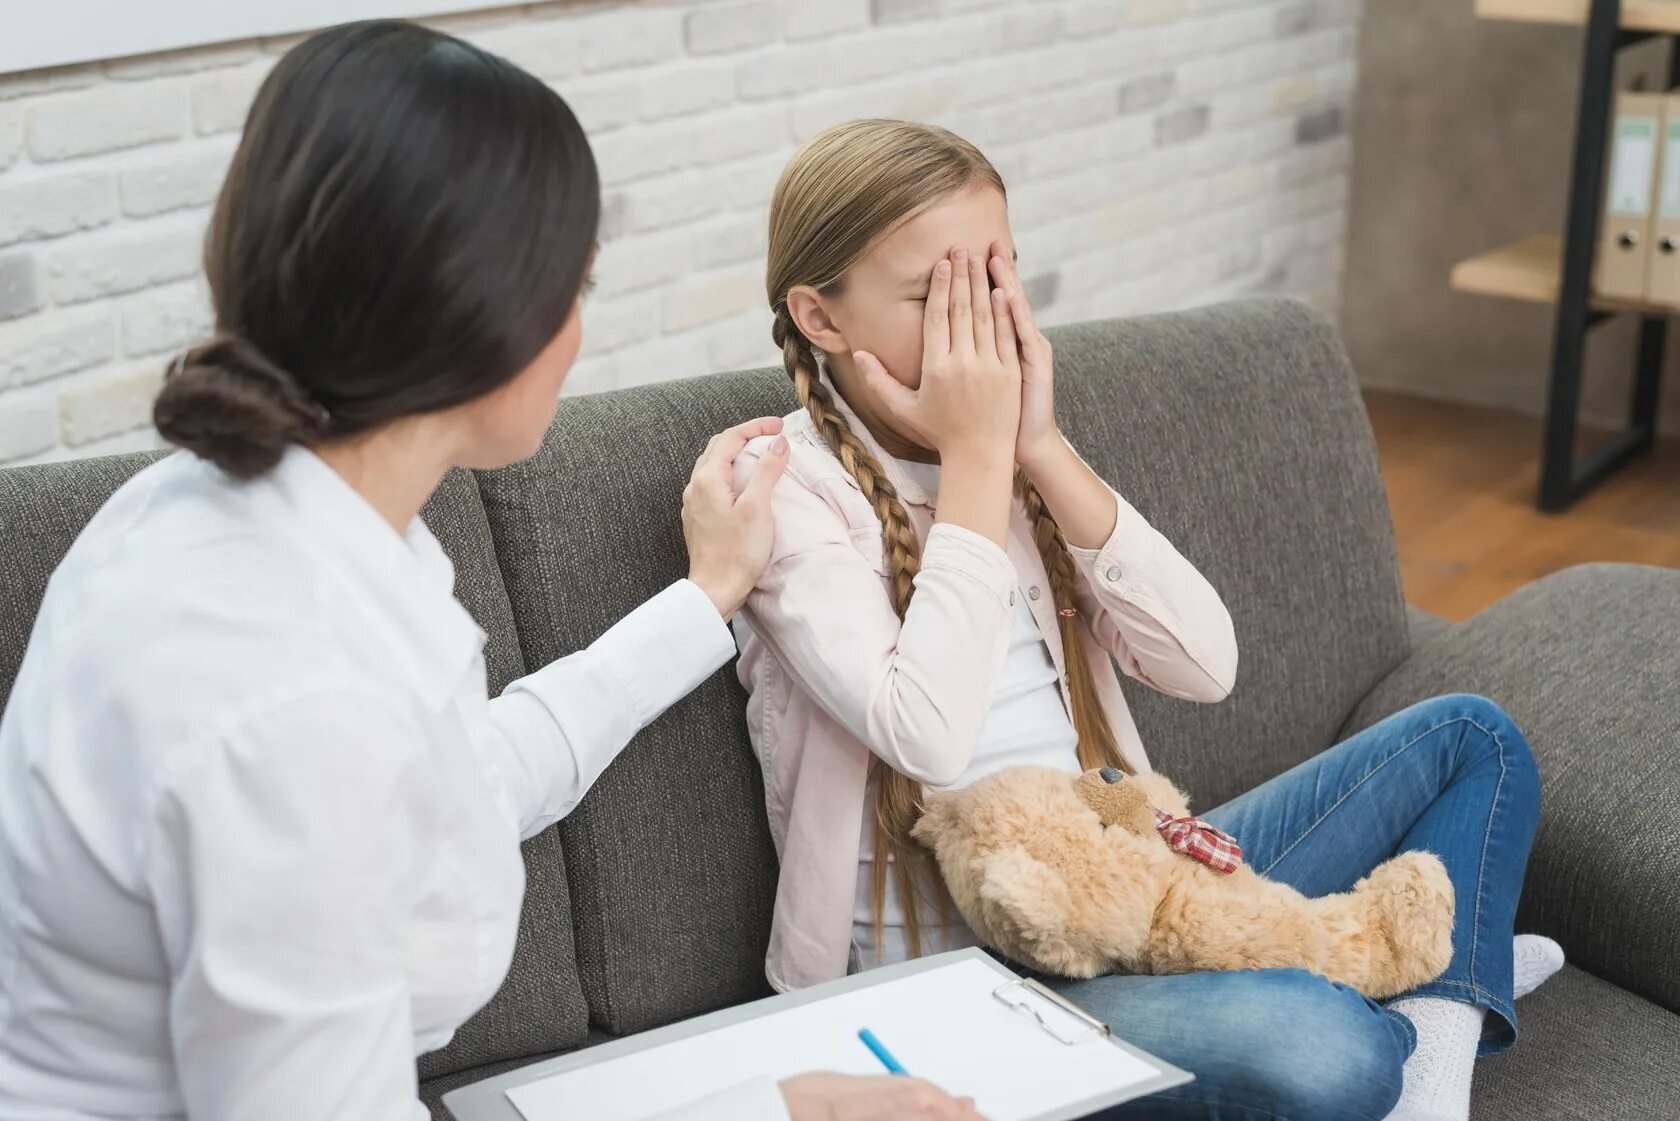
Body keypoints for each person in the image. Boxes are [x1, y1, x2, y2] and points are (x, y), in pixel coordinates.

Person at [0, 25, 984, 1121]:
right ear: (478, 308)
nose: (577, 333)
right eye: (576, 287)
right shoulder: (284, 691)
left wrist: (706, 597)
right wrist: (774, 1110)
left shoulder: (240, 514)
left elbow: (466, 775)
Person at [728, 118, 1566, 1121]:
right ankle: (1419, 978)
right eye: (933, 297)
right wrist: (978, 456)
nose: (982, 328)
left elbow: (1206, 663)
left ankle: (1439, 1024)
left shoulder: (1018, 463)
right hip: (981, 984)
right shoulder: (783, 496)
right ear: (821, 318)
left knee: (1473, 735)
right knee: (1325, 1052)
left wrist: (1039, 447)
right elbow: (926, 730)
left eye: (997, 281)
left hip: (1133, 879)